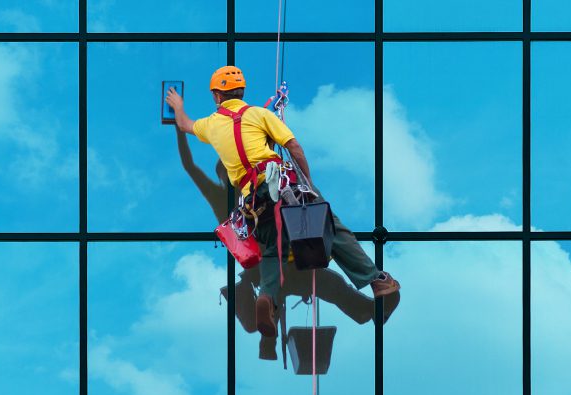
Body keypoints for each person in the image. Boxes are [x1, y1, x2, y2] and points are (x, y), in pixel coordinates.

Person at [165, 66, 401, 360]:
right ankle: (376, 280)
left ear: (216, 95)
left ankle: (267, 297)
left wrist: (178, 107)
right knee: (330, 228)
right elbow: (294, 147)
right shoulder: (260, 115)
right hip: (284, 187)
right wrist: (309, 184)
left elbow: (186, 125)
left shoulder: (212, 125)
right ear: (242, 91)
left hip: (254, 202)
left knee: (271, 251)